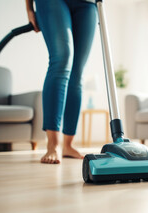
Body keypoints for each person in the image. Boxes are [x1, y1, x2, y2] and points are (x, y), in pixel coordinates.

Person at [25, 0, 97, 164]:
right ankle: (53, 144)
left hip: (88, 4)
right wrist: (29, 9)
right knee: (62, 60)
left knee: (77, 74)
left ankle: (68, 145)